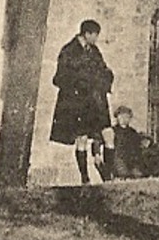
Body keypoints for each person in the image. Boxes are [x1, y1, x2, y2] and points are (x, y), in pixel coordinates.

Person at [50, 19, 114, 184]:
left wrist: (105, 80)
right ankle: (84, 178)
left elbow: (104, 69)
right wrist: (78, 84)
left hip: (96, 102)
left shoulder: (94, 51)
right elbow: (59, 78)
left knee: (108, 134)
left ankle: (109, 176)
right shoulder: (68, 51)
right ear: (87, 34)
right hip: (78, 103)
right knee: (82, 139)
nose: (96, 39)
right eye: (95, 35)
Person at [105, 105, 146, 180]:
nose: (123, 119)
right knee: (123, 173)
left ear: (129, 118)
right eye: (121, 116)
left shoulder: (132, 132)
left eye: (126, 116)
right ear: (117, 117)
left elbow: (140, 143)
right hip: (118, 159)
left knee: (138, 175)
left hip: (132, 160)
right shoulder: (113, 131)